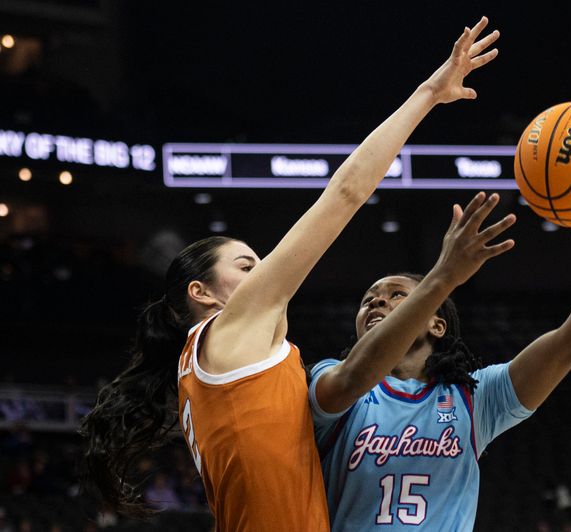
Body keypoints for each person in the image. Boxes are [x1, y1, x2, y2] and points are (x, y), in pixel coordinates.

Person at [78, 16, 501, 531]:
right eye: (246, 265)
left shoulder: (200, 370)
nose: (263, 274)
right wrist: (428, 93)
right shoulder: (229, 330)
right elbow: (345, 193)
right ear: (203, 293)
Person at [309, 130, 571, 530]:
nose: (376, 301)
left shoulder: (475, 399)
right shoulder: (330, 378)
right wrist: (442, 277)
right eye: (369, 297)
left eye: (397, 295)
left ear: (437, 324)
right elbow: (355, 375)